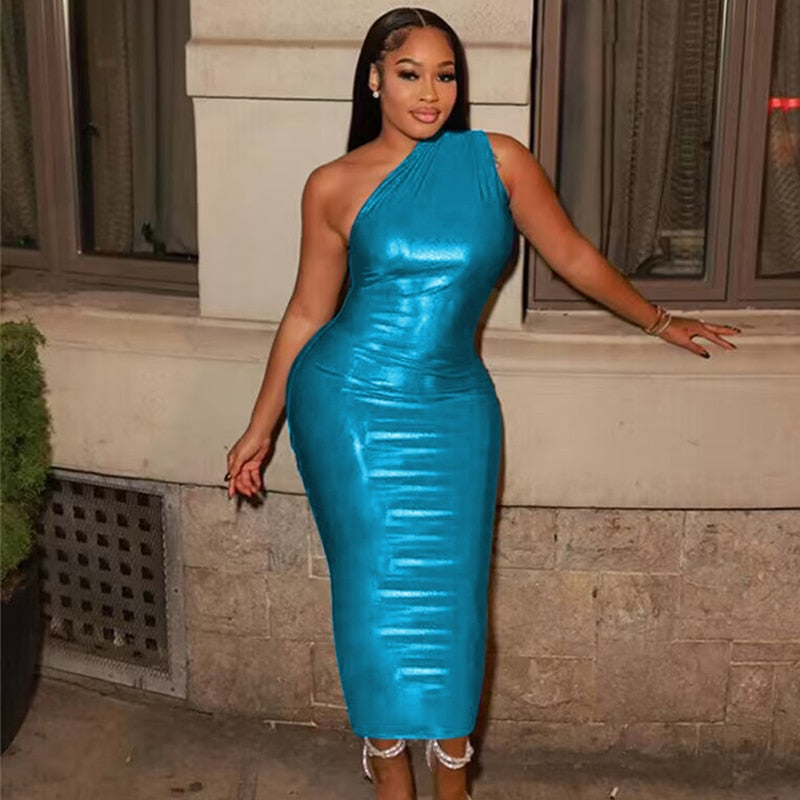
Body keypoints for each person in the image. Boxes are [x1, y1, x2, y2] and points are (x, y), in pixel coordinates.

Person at [225, 8, 740, 800]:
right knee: (373, 595)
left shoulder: (497, 161)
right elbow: (305, 312)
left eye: (445, 75)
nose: (431, 93)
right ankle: (389, 768)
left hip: (455, 411)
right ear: (375, 79)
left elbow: (570, 254)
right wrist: (260, 428)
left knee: (456, 606)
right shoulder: (331, 184)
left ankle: (453, 774)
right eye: (410, 74)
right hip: (350, 406)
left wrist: (660, 320)